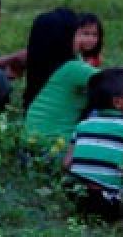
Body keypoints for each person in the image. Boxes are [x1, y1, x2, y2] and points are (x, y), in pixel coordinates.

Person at [63, 68, 123, 222]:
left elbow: (66, 164)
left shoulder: (82, 125)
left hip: (76, 193)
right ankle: (119, 216)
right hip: (107, 200)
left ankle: (83, 211)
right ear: (118, 102)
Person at [23, 8, 99, 143]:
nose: (81, 39)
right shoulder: (73, 69)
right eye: (78, 34)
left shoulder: (44, 65)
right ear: (66, 38)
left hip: (31, 147)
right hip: (56, 149)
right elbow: (117, 83)